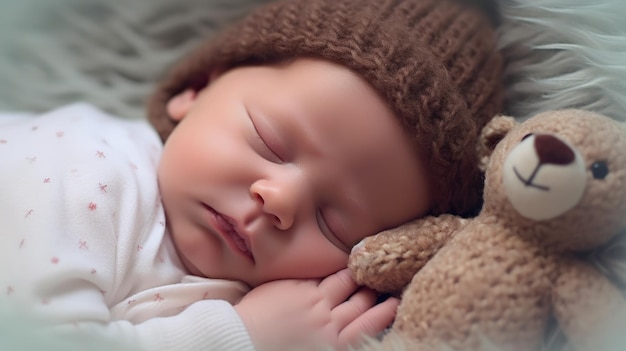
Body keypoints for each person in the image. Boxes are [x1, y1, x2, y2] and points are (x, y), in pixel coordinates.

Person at [0, 0, 503, 350]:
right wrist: (239, 337)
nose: (279, 200)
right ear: (197, 88)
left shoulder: (268, 303)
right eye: (269, 142)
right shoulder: (90, 165)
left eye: (333, 223)